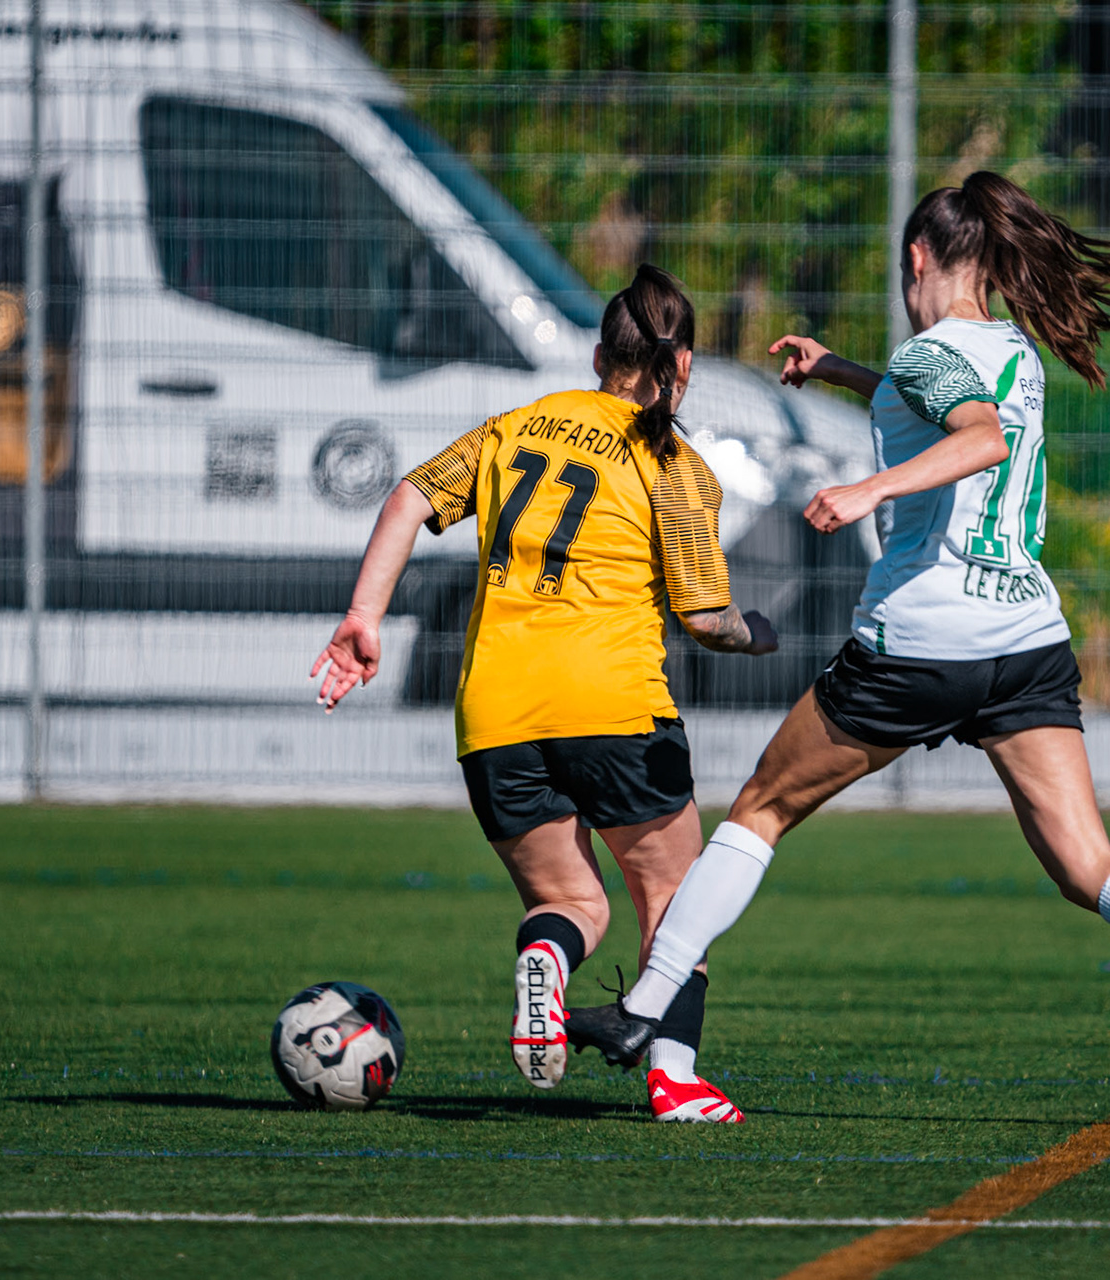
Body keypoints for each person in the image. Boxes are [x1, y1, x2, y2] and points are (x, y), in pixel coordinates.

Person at [571, 174, 1110, 1129]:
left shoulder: (935, 351)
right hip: (1026, 640)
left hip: (920, 643)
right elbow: (946, 401)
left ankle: (643, 1010)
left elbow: (972, 436)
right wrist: (840, 371)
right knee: (1085, 861)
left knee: (760, 809)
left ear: (917, 261)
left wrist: (867, 493)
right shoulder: (1009, 351)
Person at [311, 264, 777, 1123]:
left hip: (494, 715)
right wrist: (759, 633)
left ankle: (551, 967)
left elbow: (410, 495)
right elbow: (706, 617)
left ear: (600, 354)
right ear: (680, 371)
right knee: (672, 905)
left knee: (570, 903)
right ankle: (674, 1083)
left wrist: (362, 618)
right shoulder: (672, 462)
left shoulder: (515, 426)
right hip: (614, 708)